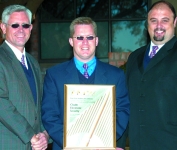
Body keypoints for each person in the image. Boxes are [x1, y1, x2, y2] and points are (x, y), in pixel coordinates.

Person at [41, 17, 130, 150]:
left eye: (89, 37)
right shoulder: (54, 75)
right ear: (71, 41)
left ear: (96, 40)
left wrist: (103, 141)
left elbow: (122, 111)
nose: (85, 43)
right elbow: (49, 115)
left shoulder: (116, 75)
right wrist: (74, 143)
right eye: (79, 37)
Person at [126, 1, 177, 149]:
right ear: (147, 23)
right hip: (137, 144)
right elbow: (126, 102)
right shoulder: (134, 57)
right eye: (153, 20)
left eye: (165, 20)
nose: (158, 26)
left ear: (175, 22)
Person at [0, 4, 49, 150]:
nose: (21, 30)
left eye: (25, 25)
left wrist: (44, 134)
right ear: (3, 27)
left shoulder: (32, 62)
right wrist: (30, 136)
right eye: (14, 25)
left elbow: (38, 104)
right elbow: (2, 103)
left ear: (31, 28)